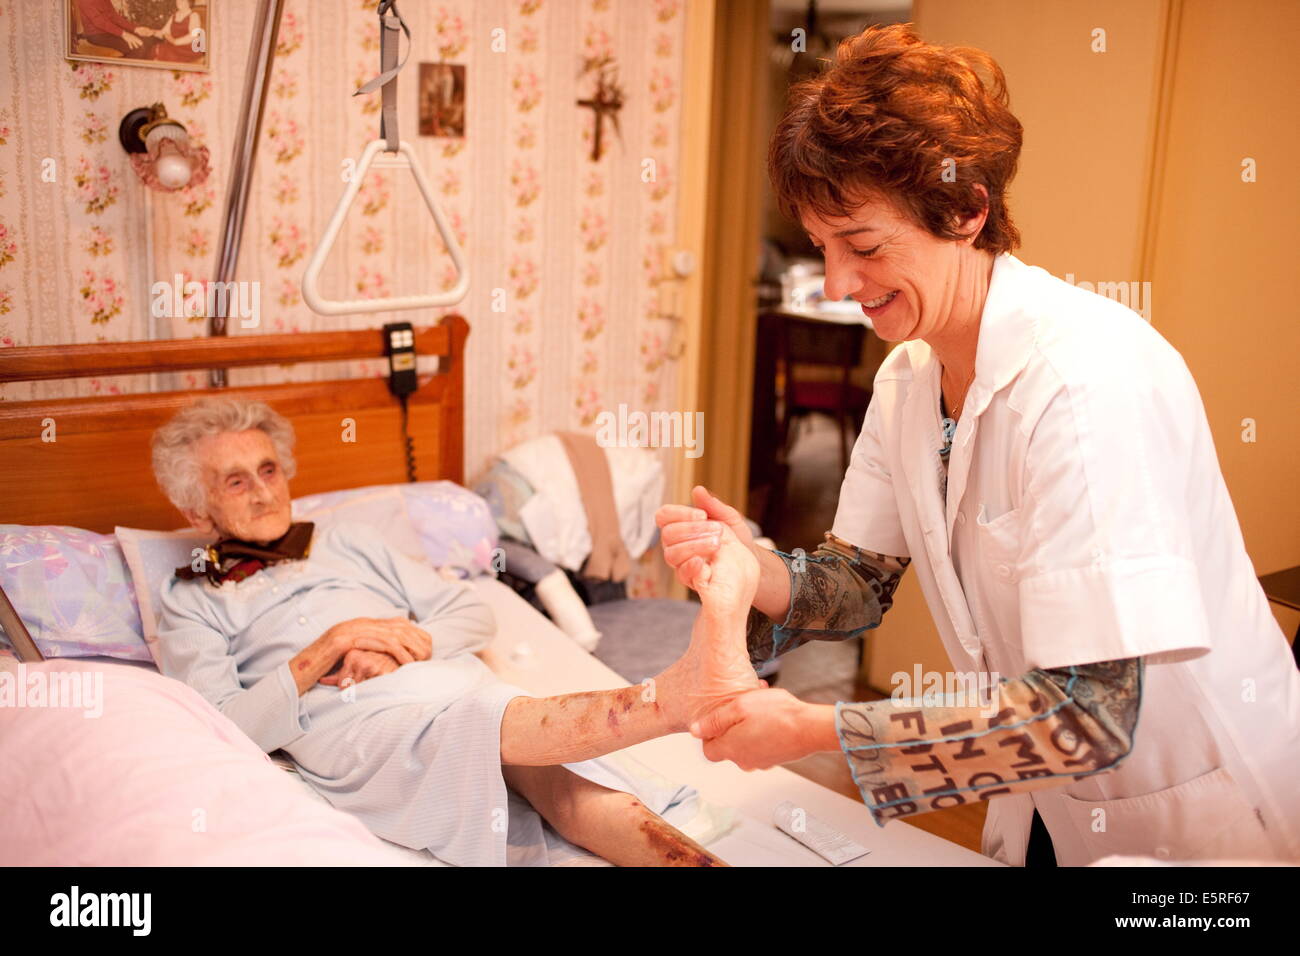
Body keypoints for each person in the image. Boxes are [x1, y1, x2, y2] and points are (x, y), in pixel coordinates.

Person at [657, 23, 1300, 867]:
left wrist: (814, 731)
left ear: (966, 211)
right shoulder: (910, 379)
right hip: (1048, 802)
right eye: (823, 248)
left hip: (1205, 820)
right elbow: (857, 583)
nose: (841, 286)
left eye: (864, 246)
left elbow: (1087, 719)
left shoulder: (1086, 384)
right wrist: (755, 568)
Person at [151, 397, 760, 867]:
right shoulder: (189, 597)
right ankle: (667, 700)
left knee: (564, 785)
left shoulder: (347, 541)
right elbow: (227, 727)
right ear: (196, 511)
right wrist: (328, 647)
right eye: (236, 482)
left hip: (442, 684)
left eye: (268, 470)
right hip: (351, 725)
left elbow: (472, 613)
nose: (263, 491)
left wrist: (405, 644)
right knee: (492, 714)